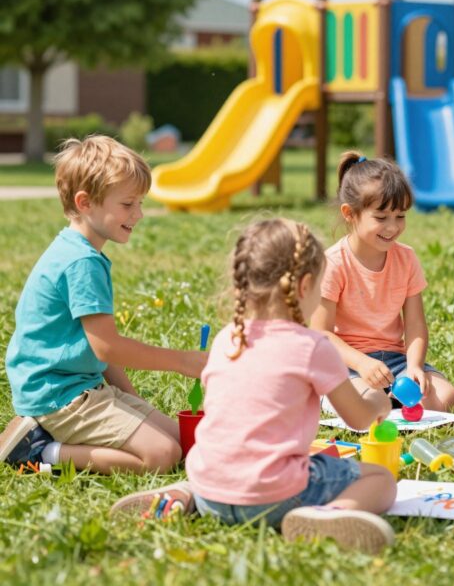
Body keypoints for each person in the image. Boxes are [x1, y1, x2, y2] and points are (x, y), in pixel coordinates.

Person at [111, 219, 396, 553]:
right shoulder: (313, 345)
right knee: (380, 480)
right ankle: (327, 515)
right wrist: (379, 404)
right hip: (275, 497)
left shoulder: (225, 339)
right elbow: (359, 419)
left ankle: (183, 496)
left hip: (211, 491)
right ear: (304, 286)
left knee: (225, 467)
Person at [0, 136, 206, 473]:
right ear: (85, 203)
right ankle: (39, 451)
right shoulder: (80, 263)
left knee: (183, 444)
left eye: (140, 203)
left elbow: (97, 350)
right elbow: (108, 347)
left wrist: (133, 401)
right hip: (59, 399)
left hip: (85, 388)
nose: (138, 214)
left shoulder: (83, 252)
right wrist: (182, 361)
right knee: (161, 456)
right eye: (128, 204)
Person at [309, 152, 454, 414]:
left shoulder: (407, 258)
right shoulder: (333, 263)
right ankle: (327, 393)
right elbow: (321, 333)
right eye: (381, 217)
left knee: (447, 401)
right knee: (369, 406)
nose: (392, 227)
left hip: (395, 362)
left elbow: (414, 325)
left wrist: (414, 366)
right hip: (345, 362)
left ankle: (391, 399)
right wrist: (363, 364)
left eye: (400, 216)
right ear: (349, 213)